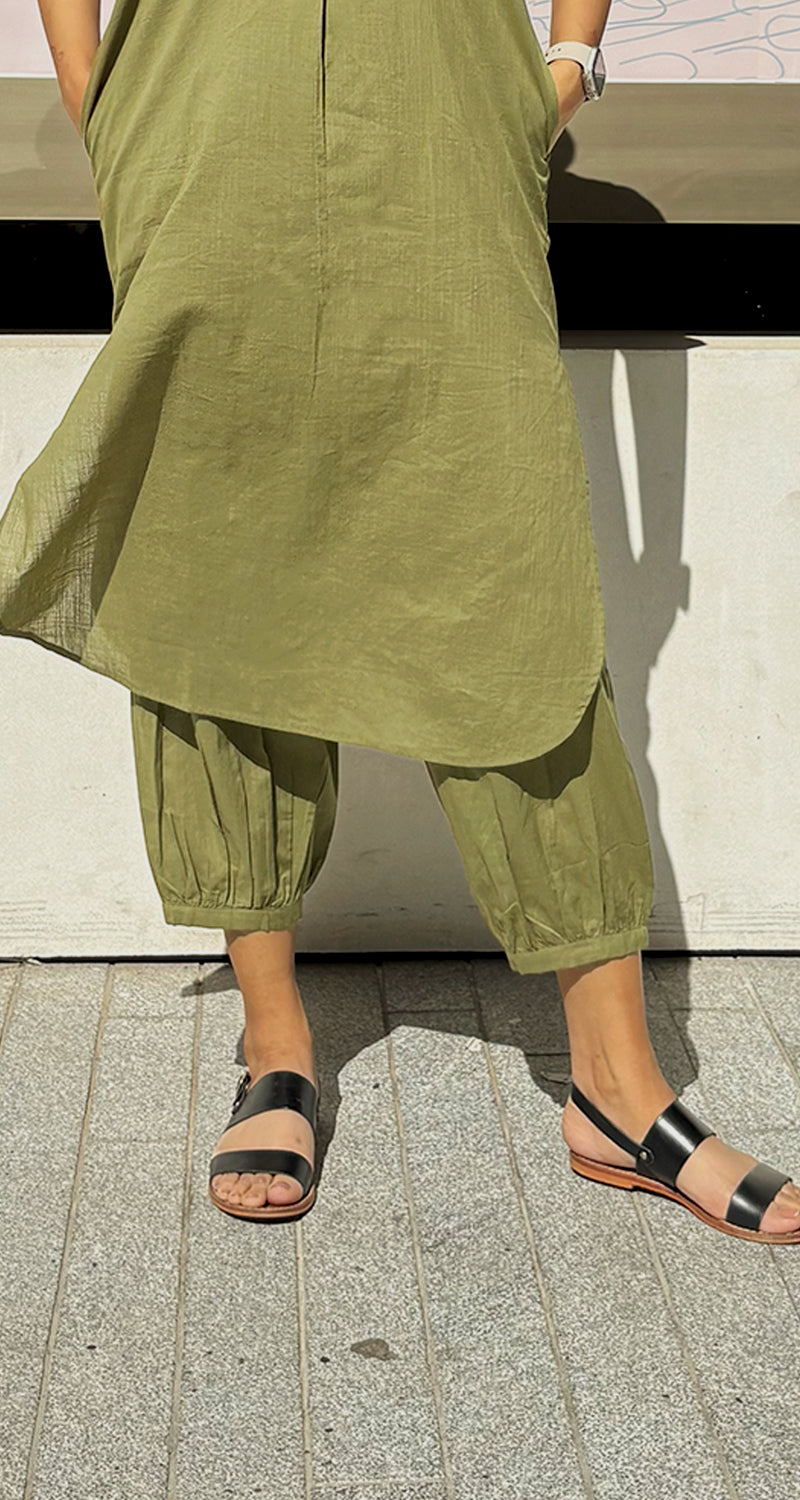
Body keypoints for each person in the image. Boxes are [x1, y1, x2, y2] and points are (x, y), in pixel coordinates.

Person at [1, 0, 798, 1240]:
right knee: (220, 565)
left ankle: (618, 1086)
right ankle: (275, 1043)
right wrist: (94, 93)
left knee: (506, 579)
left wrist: (566, 64)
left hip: (450, 116)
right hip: (198, 111)